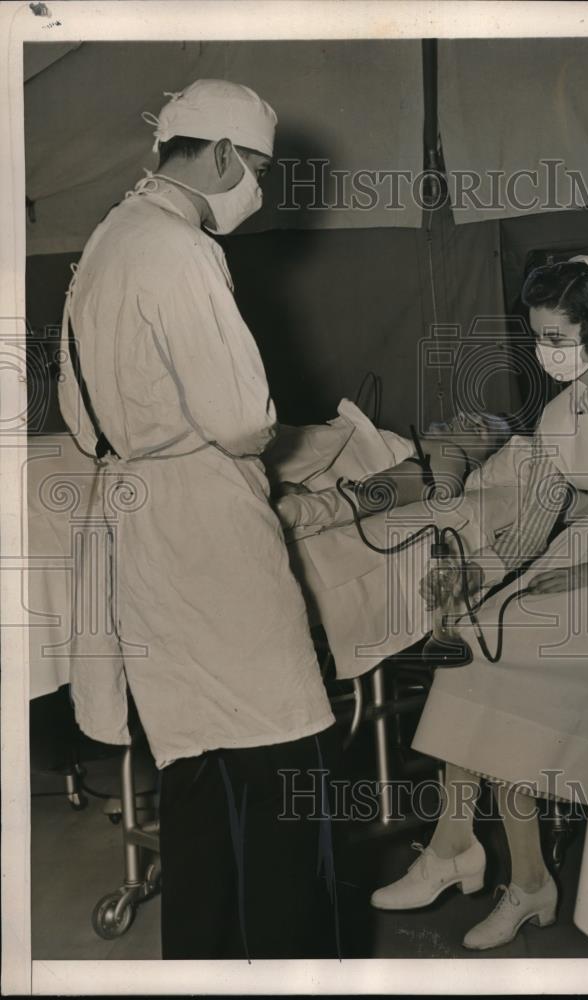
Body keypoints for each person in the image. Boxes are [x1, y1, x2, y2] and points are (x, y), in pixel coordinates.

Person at [58, 80, 342, 960]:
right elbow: (241, 418)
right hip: (204, 521)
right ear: (220, 155)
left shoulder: (105, 239)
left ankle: (201, 967)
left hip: (135, 515)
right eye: (255, 169)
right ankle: (295, 973)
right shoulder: (180, 248)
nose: (254, 188)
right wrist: (265, 437)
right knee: (288, 769)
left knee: (193, 777)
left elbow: (77, 412)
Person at [369, 255, 588, 950]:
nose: (546, 352)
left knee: (497, 653)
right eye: (537, 337)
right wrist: (475, 574)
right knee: (477, 633)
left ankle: (479, 861)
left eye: (558, 337)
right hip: (578, 563)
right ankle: (482, 857)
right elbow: (532, 526)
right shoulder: (560, 412)